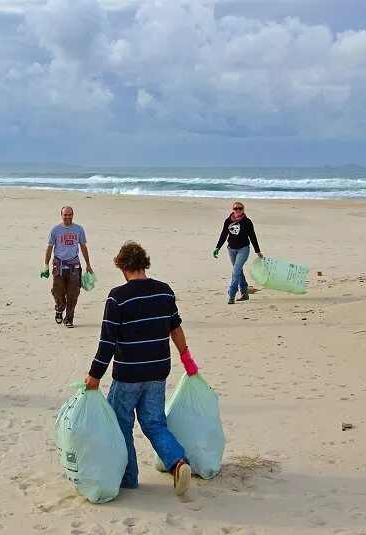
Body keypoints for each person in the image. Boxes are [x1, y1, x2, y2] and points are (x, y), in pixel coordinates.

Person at [84, 241, 199, 496]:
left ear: (123, 267)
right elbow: (175, 328)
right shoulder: (164, 292)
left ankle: (129, 478)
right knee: (155, 423)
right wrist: (187, 360)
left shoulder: (118, 297)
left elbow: (107, 343)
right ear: (144, 263)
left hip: (128, 375)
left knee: (121, 424)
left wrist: (94, 375)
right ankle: (178, 463)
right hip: (158, 371)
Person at [42, 206, 93, 328]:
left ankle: (69, 319)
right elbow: (49, 248)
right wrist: (45, 265)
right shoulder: (55, 230)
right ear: (61, 215)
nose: (67, 217)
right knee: (57, 291)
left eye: (69, 215)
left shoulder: (79, 229)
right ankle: (59, 309)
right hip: (59, 265)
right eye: (65, 215)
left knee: (73, 294)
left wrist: (88, 265)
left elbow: (83, 247)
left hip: (74, 265)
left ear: (73, 215)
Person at [212, 201, 263, 305]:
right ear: (233, 210)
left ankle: (232, 294)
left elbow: (252, 236)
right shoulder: (228, 221)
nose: (238, 210)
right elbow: (223, 235)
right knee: (239, 271)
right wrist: (217, 247)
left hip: (243, 250)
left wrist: (257, 251)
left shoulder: (247, 222)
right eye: (236, 209)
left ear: (243, 209)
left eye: (240, 208)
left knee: (235, 272)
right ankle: (245, 293)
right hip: (231, 249)